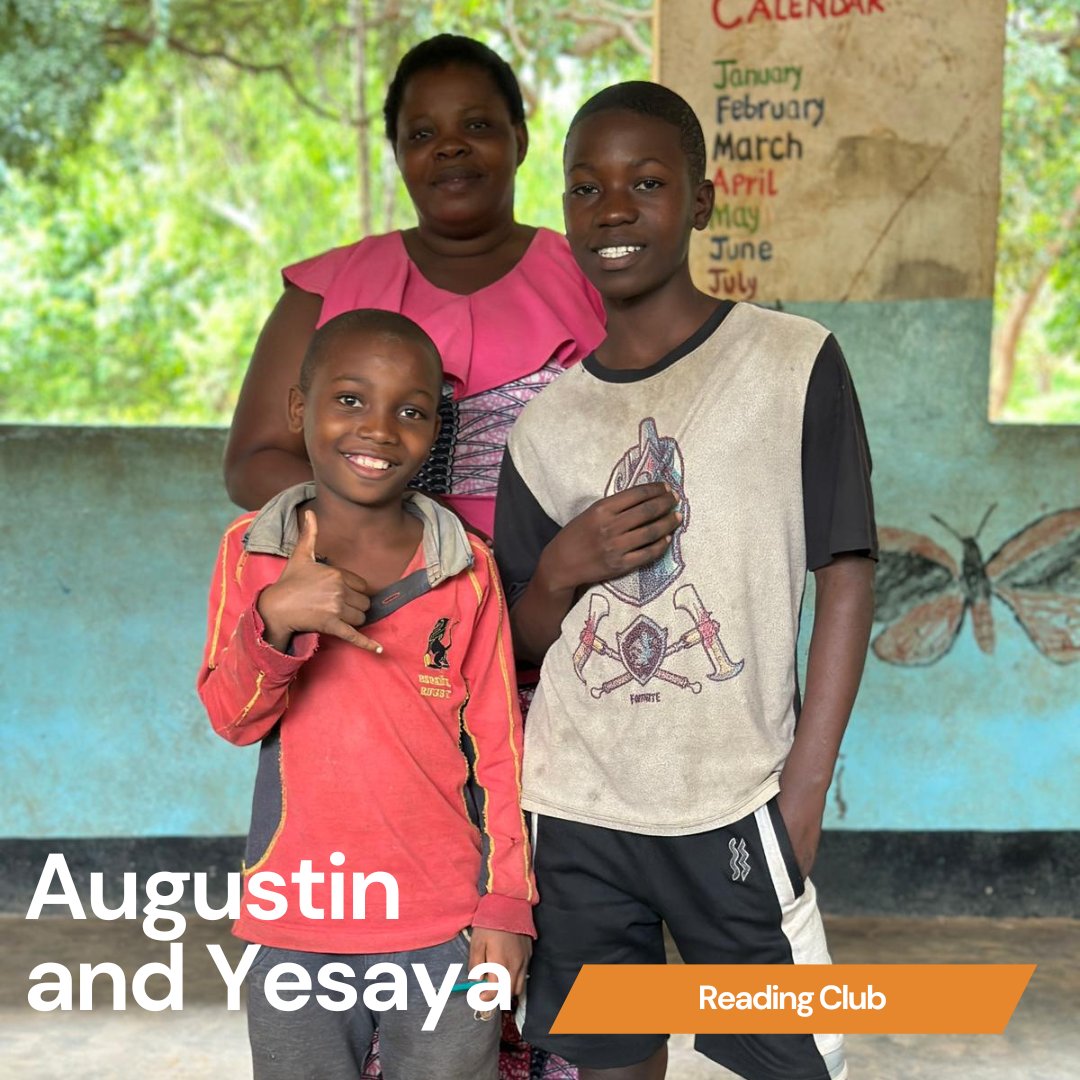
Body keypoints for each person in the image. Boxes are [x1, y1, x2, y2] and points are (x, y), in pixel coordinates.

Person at [494, 82, 877, 1080]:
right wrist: (568, 566)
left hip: (737, 800)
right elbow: (521, 641)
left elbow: (846, 575)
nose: (613, 208)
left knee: (793, 1061)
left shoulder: (793, 364)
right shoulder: (549, 425)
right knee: (611, 1062)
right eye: (585, 188)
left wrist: (802, 795)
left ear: (702, 200)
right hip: (577, 804)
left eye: (647, 181)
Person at [198, 309, 535, 1080]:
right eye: (350, 399)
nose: (378, 430)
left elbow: (500, 755)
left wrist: (506, 906)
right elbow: (232, 717)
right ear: (299, 409)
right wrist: (277, 620)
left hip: (445, 922)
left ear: (435, 429)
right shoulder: (254, 551)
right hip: (298, 920)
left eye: (410, 411)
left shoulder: (465, 569)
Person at [223, 33, 606, 543]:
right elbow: (253, 463)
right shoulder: (323, 292)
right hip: (379, 592)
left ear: (521, 138)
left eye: (477, 125)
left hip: (570, 592)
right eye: (422, 135)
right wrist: (408, 533)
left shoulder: (595, 278)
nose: (450, 145)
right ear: (398, 152)